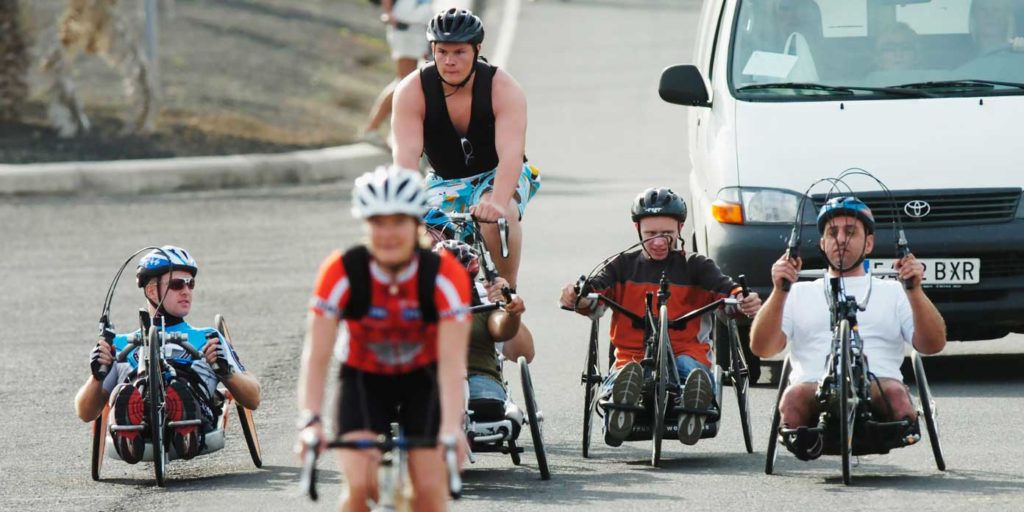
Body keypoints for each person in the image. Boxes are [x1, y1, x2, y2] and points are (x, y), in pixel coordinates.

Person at [297, 166, 471, 511]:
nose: (388, 233)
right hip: (363, 378)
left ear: (416, 224)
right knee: (360, 486)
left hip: (424, 378)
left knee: (430, 492)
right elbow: (316, 357)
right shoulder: (341, 272)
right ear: (365, 225)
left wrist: (453, 427)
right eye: (378, 223)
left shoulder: (445, 275)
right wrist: (310, 422)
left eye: (398, 222)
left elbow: (452, 362)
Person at [559, 188, 762, 447]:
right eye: (650, 234)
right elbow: (592, 295)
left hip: (687, 355)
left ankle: (692, 405)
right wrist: (577, 297)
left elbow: (728, 294)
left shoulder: (697, 266)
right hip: (632, 358)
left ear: (680, 228)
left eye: (666, 234)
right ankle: (621, 406)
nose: (658, 242)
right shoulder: (620, 266)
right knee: (627, 374)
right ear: (637, 230)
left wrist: (743, 300)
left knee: (692, 372)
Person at [749, 196, 946, 460]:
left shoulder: (894, 292)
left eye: (850, 232)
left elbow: (933, 345)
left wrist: (915, 291)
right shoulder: (798, 293)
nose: (841, 239)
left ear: (869, 243)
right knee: (792, 399)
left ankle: (887, 432)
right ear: (822, 243)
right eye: (833, 232)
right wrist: (779, 291)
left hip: (878, 383)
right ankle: (808, 441)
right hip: (814, 385)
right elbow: (762, 348)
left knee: (898, 396)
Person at [391, 8, 540, 289]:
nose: (450, 61)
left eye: (459, 52)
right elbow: (406, 158)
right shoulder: (412, 90)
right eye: (443, 51)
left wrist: (497, 201)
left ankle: (506, 293)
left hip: (497, 173)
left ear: (476, 49)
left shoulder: (502, 87)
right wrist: (409, 207)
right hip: (444, 179)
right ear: (432, 49)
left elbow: (512, 154)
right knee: (421, 233)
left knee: (500, 217)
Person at [74, 246, 261, 463]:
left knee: (181, 387)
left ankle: (184, 420)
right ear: (152, 290)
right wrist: (96, 377)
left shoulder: (208, 337)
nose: (186, 291)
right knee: (127, 391)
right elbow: (85, 412)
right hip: (140, 410)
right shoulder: (118, 344)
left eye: (191, 283)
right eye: (177, 284)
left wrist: (226, 373)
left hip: (198, 410)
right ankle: (131, 427)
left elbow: (253, 398)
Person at [432, 240, 532, 413]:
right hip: (429, 380)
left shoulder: (485, 298)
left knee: (486, 404)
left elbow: (517, 345)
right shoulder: (412, 300)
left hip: (478, 378)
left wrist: (511, 313)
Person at [361, 0, 435, 146]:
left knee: (413, 83)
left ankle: (393, 131)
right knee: (403, 82)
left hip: (419, 30)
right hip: (404, 28)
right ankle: (372, 129)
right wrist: (388, 12)